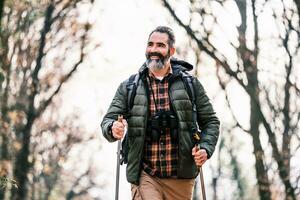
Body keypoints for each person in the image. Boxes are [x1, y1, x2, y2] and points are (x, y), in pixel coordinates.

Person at [101, 26, 220, 200]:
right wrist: (112, 128)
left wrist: (205, 148)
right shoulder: (129, 86)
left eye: (160, 45)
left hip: (181, 178)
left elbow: (211, 122)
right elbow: (108, 120)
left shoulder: (191, 85)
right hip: (145, 175)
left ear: (171, 50)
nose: (153, 50)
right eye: (150, 45)